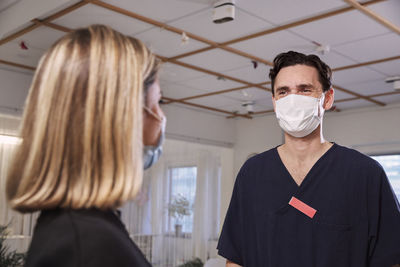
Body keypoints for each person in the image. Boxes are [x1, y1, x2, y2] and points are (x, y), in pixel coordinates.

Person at [217, 51, 400, 267]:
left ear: (327, 98)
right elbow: (236, 258)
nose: (293, 100)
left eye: (305, 90)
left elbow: (390, 259)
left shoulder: (365, 173)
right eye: (283, 91)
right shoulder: (253, 173)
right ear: (275, 102)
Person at [6, 25, 165, 267]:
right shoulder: (90, 244)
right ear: (120, 119)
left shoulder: (74, 229)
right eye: (156, 102)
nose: (159, 118)